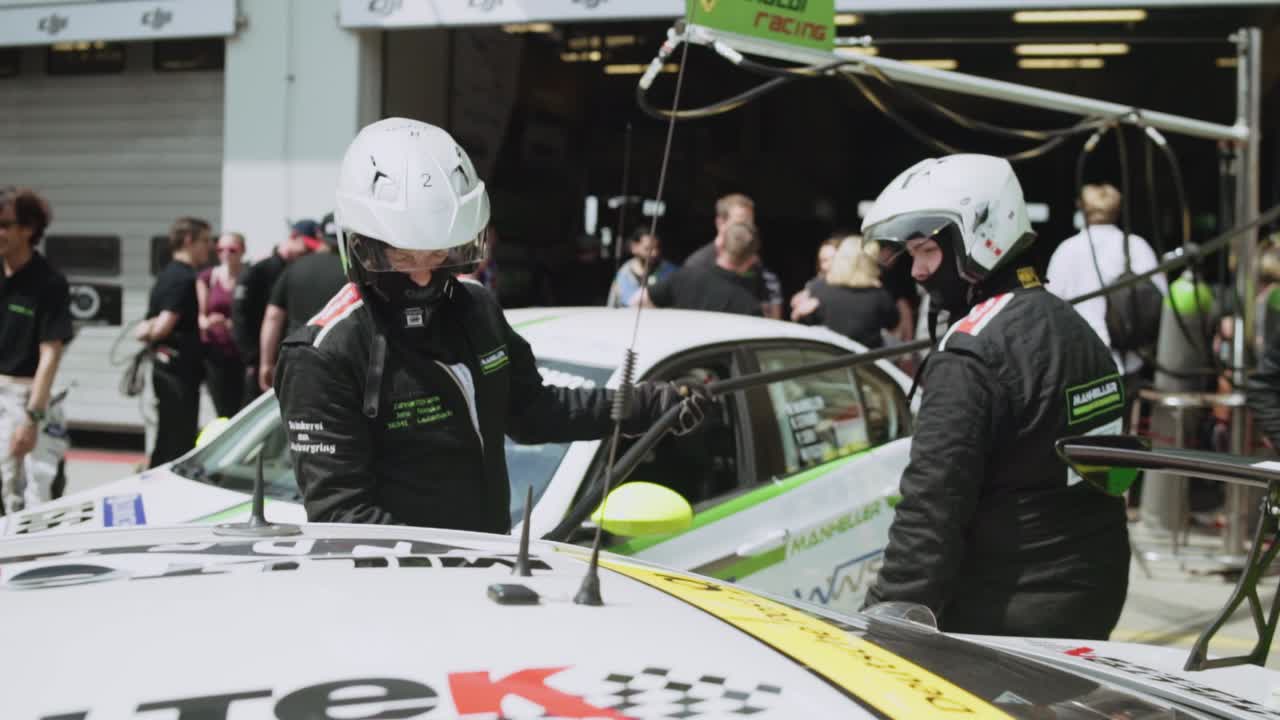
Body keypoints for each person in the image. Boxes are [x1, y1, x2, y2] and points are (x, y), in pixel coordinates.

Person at [273, 118, 707, 532]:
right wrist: (455, 566)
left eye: (439, 254)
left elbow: (532, 411)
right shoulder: (323, 355)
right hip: (402, 587)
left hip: (483, 558)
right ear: (361, 246)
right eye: (404, 257)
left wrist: (644, 405)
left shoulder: (476, 306)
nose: (424, 275)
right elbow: (343, 516)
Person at [860, 154, 1130, 640]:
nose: (917, 272)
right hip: (1096, 592)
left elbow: (930, 511)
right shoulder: (1075, 329)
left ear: (981, 239)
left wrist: (882, 625)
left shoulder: (971, 354)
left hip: (1005, 612)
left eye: (926, 252)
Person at [0, 188, 72, 513]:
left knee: (31, 501)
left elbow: (50, 355)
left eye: (4, 224)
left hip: (24, 399)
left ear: (28, 229)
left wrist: (32, 419)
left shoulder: (48, 283)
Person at [1046, 183, 1167, 376]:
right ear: (1118, 210)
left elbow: (1050, 309)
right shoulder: (1137, 247)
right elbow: (1162, 301)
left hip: (1078, 361)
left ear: (1081, 208)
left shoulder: (1065, 251)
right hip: (1128, 362)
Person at [136, 217, 213, 468]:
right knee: (177, 437)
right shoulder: (181, 277)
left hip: (170, 368)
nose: (209, 247)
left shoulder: (168, 273)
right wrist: (149, 330)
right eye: (205, 241)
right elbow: (163, 325)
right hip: (176, 372)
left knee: (168, 432)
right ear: (188, 240)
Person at [258, 213, 347, 391]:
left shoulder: (294, 268)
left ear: (320, 235)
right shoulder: (353, 272)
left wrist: (266, 363)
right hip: (341, 358)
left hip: (296, 358)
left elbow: (273, 317)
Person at [231, 219, 313, 405]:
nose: (309, 253)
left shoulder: (296, 270)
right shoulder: (258, 271)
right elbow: (240, 318)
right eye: (306, 247)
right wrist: (254, 359)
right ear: (294, 239)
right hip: (259, 360)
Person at [685, 193, 784, 318]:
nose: (748, 230)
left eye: (750, 223)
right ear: (720, 223)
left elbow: (766, 306)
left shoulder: (755, 264)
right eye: (741, 223)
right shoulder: (698, 264)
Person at [790, 236, 899, 349]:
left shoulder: (818, 288)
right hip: (865, 360)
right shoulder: (879, 295)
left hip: (827, 356)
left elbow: (803, 321)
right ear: (869, 262)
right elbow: (893, 323)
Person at [637, 221, 762, 317]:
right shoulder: (749, 306)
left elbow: (639, 300)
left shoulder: (684, 277)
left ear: (719, 246)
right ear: (752, 259)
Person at [197, 231, 246, 418]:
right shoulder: (208, 277)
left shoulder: (249, 276)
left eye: (232, 249)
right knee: (222, 408)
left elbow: (254, 316)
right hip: (215, 352)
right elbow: (201, 317)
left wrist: (231, 323)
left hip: (241, 352)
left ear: (242, 251)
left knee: (241, 408)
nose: (226, 253)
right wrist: (209, 322)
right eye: (220, 249)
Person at [606, 229, 678, 307]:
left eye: (656, 248)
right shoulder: (624, 275)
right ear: (634, 247)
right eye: (648, 249)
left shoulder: (670, 271)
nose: (654, 253)